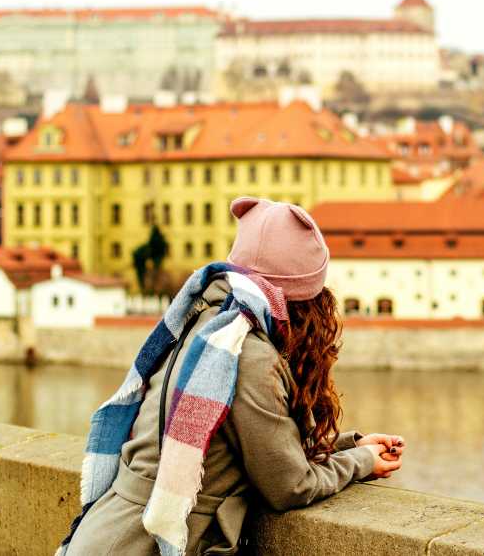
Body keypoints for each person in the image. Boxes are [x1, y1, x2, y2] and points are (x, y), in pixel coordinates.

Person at [62, 197, 405, 555]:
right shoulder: (245, 352)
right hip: (139, 545)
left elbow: (259, 450)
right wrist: (361, 463)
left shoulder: (200, 324)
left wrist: (348, 446)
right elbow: (289, 485)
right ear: (307, 300)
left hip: (110, 532)